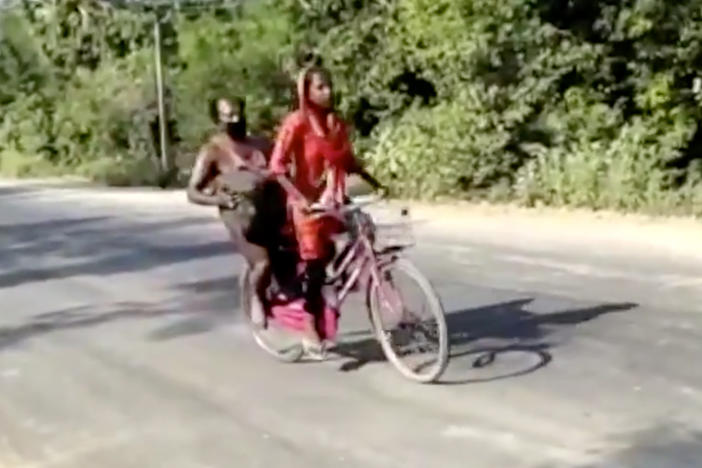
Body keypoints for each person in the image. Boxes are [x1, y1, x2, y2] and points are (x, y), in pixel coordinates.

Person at [269, 66, 383, 354]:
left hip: (333, 199)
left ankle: (335, 289)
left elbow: (348, 162)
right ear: (306, 92)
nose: (327, 92)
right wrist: (300, 198)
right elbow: (277, 168)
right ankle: (309, 323)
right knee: (315, 267)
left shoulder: (336, 125)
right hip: (307, 205)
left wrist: (378, 184)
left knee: (365, 232)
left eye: (329, 86)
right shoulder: (296, 123)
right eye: (320, 87)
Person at [187, 97, 287, 328]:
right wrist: (217, 199)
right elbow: (192, 191)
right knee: (262, 263)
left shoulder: (261, 144)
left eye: (238, 113)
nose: (236, 119)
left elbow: (281, 170)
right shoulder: (213, 151)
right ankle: (256, 297)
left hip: (269, 208)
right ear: (218, 120)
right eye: (228, 115)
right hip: (240, 215)